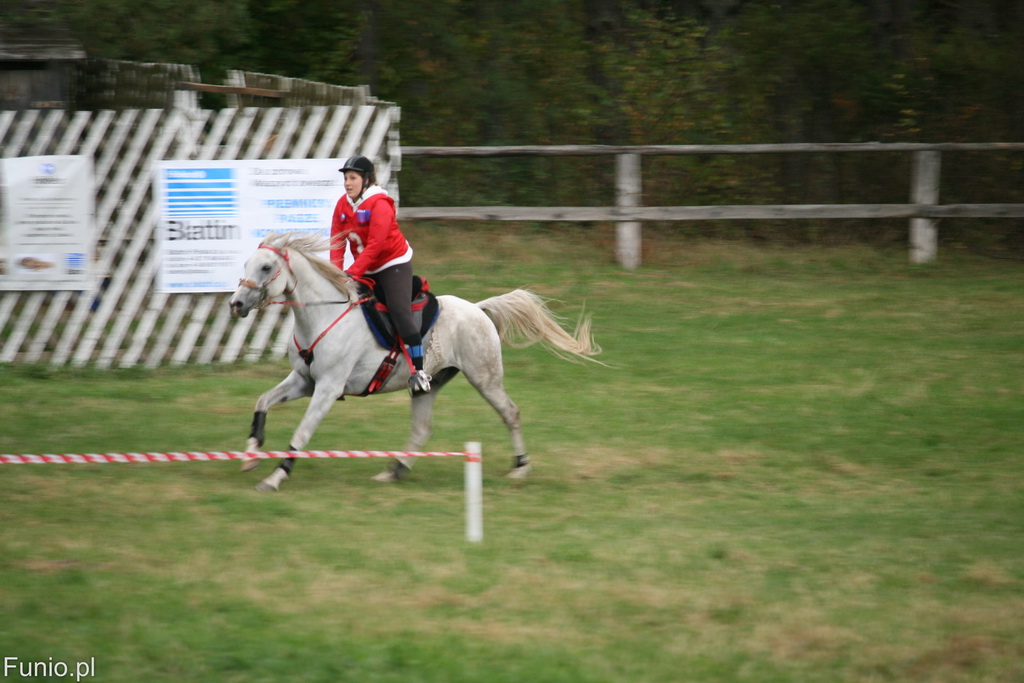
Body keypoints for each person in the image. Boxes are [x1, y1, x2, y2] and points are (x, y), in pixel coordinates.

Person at [330, 155, 431, 393]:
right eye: (346, 178)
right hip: (366, 266)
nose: (347, 183)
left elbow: (375, 246)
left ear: (366, 180)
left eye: (353, 178)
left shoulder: (380, 203)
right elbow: (337, 242)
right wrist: (336, 274)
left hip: (392, 264)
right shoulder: (342, 205)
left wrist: (352, 273)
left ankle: (419, 372)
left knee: (398, 310)